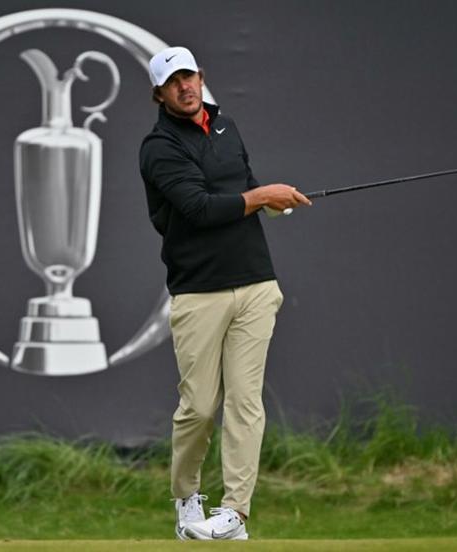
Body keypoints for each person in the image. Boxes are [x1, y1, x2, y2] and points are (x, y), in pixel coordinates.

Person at [139, 46, 311, 540]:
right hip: (199, 292)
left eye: (189, 76)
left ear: (201, 77)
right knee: (198, 406)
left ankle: (236, 512)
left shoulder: (225, 126)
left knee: (245, 401)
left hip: (256, 283)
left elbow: (244, 185)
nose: (184, 87)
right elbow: (198, 208)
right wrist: (262, 197)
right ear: (159, 93)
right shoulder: (157, 148)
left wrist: (277, 203)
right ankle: (187, 496)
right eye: (173, 82)